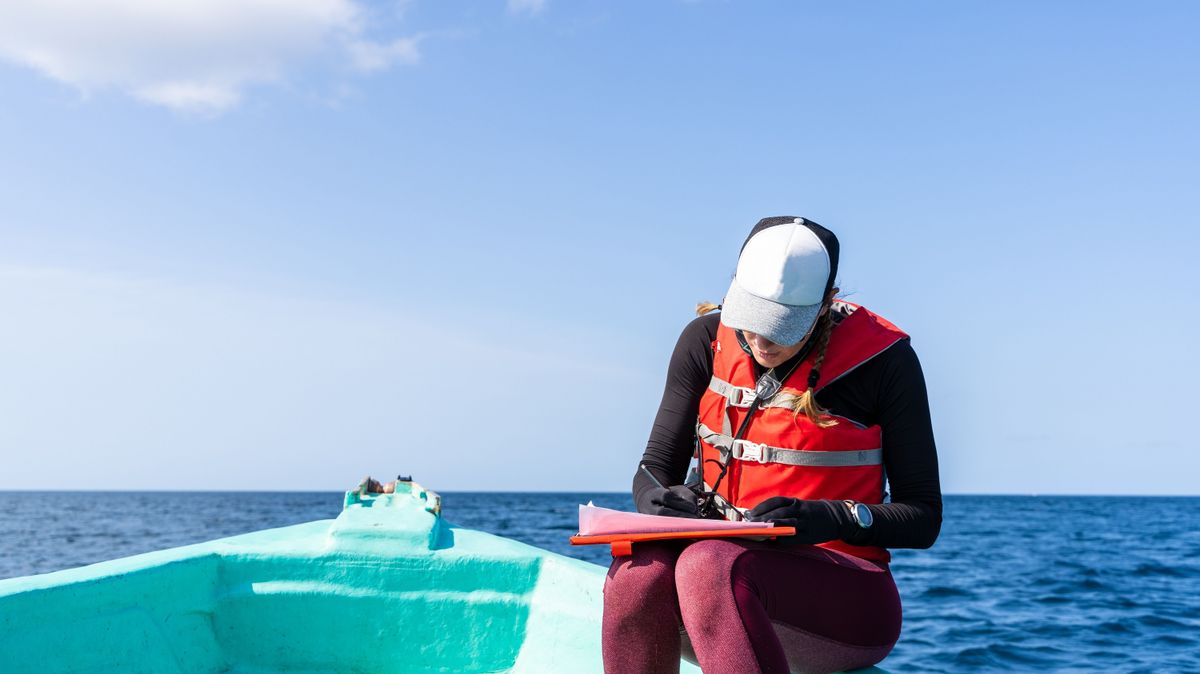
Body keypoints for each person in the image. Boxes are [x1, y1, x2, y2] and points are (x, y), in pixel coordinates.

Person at [602, 217, 942, 674]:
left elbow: (922, 518)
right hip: (716, 591)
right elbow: (653, 468)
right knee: (637, 574)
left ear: (823, 307)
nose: (761, 341)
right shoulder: (702, 341)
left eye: (782, 328)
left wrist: (833, 516)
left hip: (845, 599)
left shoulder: (887, 363)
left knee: (710, 566)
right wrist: (657, 502)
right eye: (751, 321)